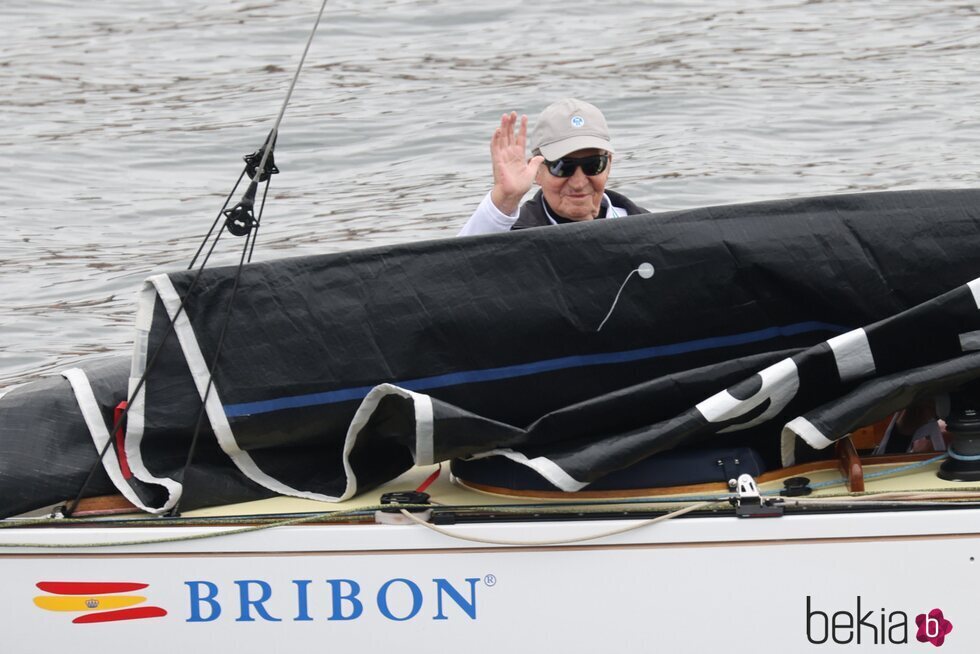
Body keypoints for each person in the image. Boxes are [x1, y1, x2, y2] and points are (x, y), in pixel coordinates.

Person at [458, 98, 648, 236]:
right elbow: (456, 270)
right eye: (562, 166)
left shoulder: (645, 227)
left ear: (609, 166)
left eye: (593, 165)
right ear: (537, 172)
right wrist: (505, 199)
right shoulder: (513, 236)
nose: (579, 182)